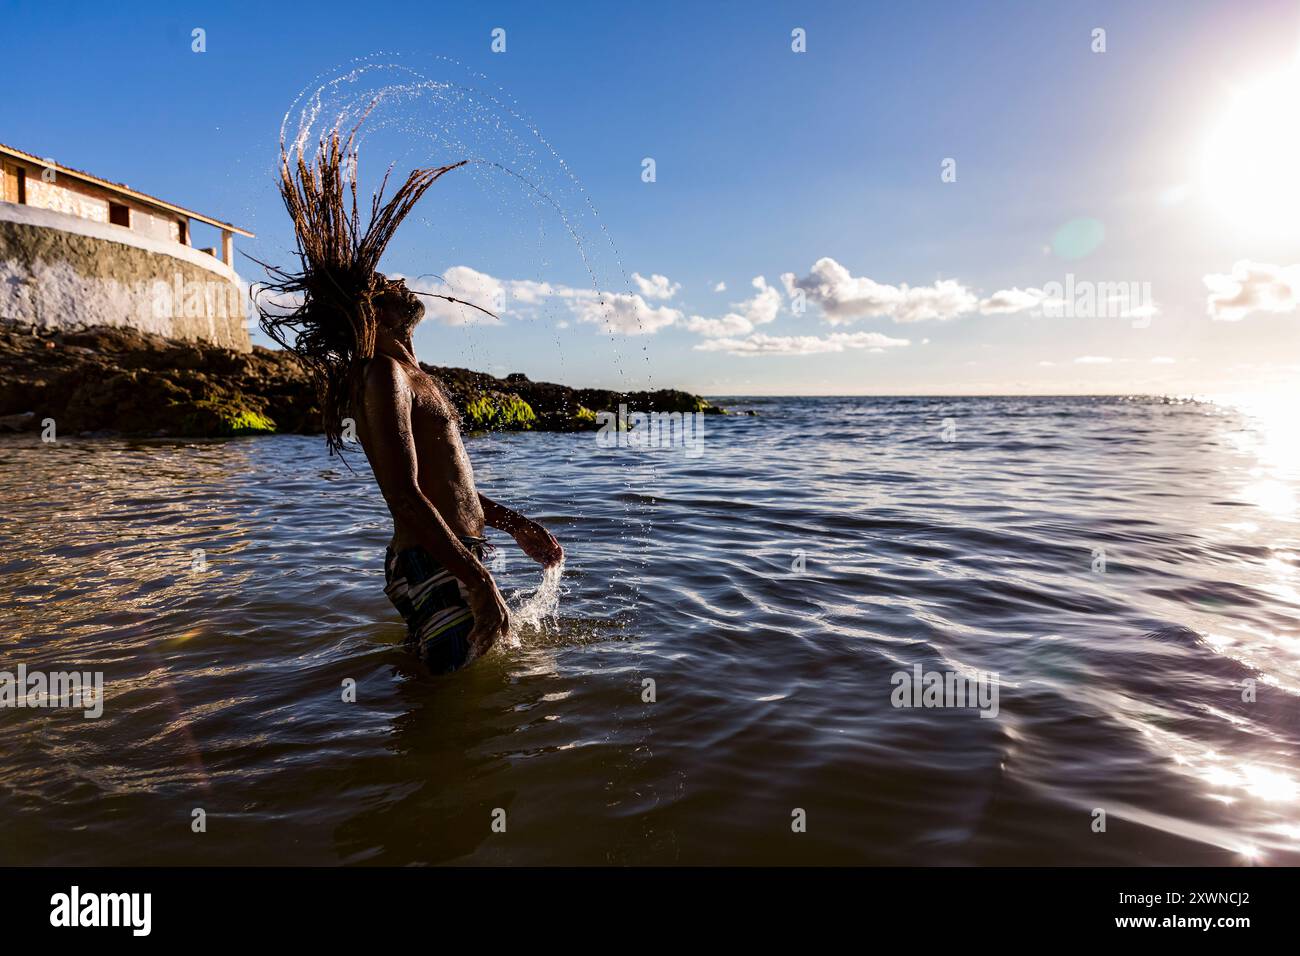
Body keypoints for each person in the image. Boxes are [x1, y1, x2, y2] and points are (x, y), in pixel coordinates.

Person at [257, 130, 561, 673]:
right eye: (384, 282)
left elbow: (449, 485)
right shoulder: (383, 374)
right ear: (374, 310)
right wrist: (477, 578)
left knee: (448, 687)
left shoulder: (416, 376)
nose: (398, 280)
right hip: (431, 560)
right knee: (439, 698)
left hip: (449, 554)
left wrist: (513, 524)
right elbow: (403, 495)